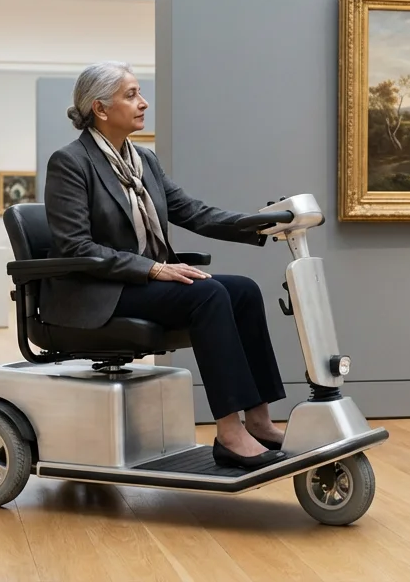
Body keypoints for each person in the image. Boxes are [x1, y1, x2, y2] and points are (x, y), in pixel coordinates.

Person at [42, 61, 287, 470]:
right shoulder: (70, 163)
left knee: (243, 289)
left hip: (137, 285)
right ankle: (228, 433)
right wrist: (153, 269)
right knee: (208, 294)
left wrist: (261, 222)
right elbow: (76, 246)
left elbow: (191, 211)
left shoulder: (143, 161)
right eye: (132, 95)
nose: (143, 103)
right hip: (98, 291)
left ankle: (258, 420)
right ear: (101, 109)